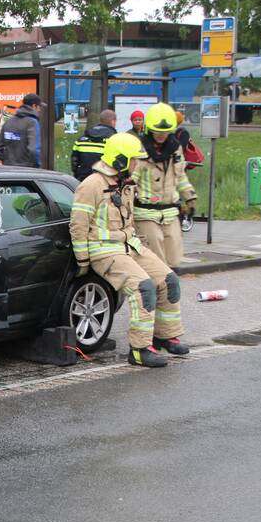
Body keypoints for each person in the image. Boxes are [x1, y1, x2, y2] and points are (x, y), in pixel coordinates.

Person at [70, 132, 189, 367]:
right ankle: (139, 350)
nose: (138, 165)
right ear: (120, 160)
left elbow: (129, 221)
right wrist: (83, 261)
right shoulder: (92, 185)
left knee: (169, 280)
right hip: (104, 250)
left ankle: (165, 336)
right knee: (143, 288)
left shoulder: (125, 184)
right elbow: (78, 224)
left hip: (129, 246)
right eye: (134, 160)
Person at [131, 102, 197, 269]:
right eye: (157, 131)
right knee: (156, 258)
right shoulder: (139, 149)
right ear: (150, 129)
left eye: (165, 131)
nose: (161, 135)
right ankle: (159, 291)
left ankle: (168, 289)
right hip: (146, 212)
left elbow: (180, 176)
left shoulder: (175, 149)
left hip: (169, 211)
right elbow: (132, 180)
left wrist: (190, 197)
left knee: (174, 258)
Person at [0, 93, 44, 168]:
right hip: (26, 172)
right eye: (39, 107)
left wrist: (8, 161)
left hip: (9, 171)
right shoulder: (32, 123)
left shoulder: (9, 122)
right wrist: (35, 167)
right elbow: (34, 150)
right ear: (34, 106)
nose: (39, 110)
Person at [70, 108, 117, 180]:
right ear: (113, 121)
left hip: (82, 180)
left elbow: (74, 161)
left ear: (101, 120)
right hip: (105, 181)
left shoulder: (82, 138)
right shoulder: (115, 140)